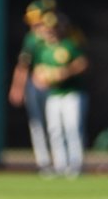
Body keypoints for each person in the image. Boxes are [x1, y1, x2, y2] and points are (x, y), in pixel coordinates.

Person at [31, 11, 89, 177]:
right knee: (55, 130)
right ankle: (60, 165)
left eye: (53, 28)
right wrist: (44, 78)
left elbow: (82, 63)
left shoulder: (69, 45)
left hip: (71, 93)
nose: (50, 31)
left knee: (72, 128)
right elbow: (37, 72)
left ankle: (75, 165)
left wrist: (65, 72)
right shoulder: (42, 49)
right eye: (47, 28)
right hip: (54, 94)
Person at [8, 0, 57, 175]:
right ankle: (43, 162)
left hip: (56, 87)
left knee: (56, 125)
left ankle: (61, 161)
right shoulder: (31, 39)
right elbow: (23, 65)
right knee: (37, 124)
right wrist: (17, 88)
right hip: (35, 86)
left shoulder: (58, 33)